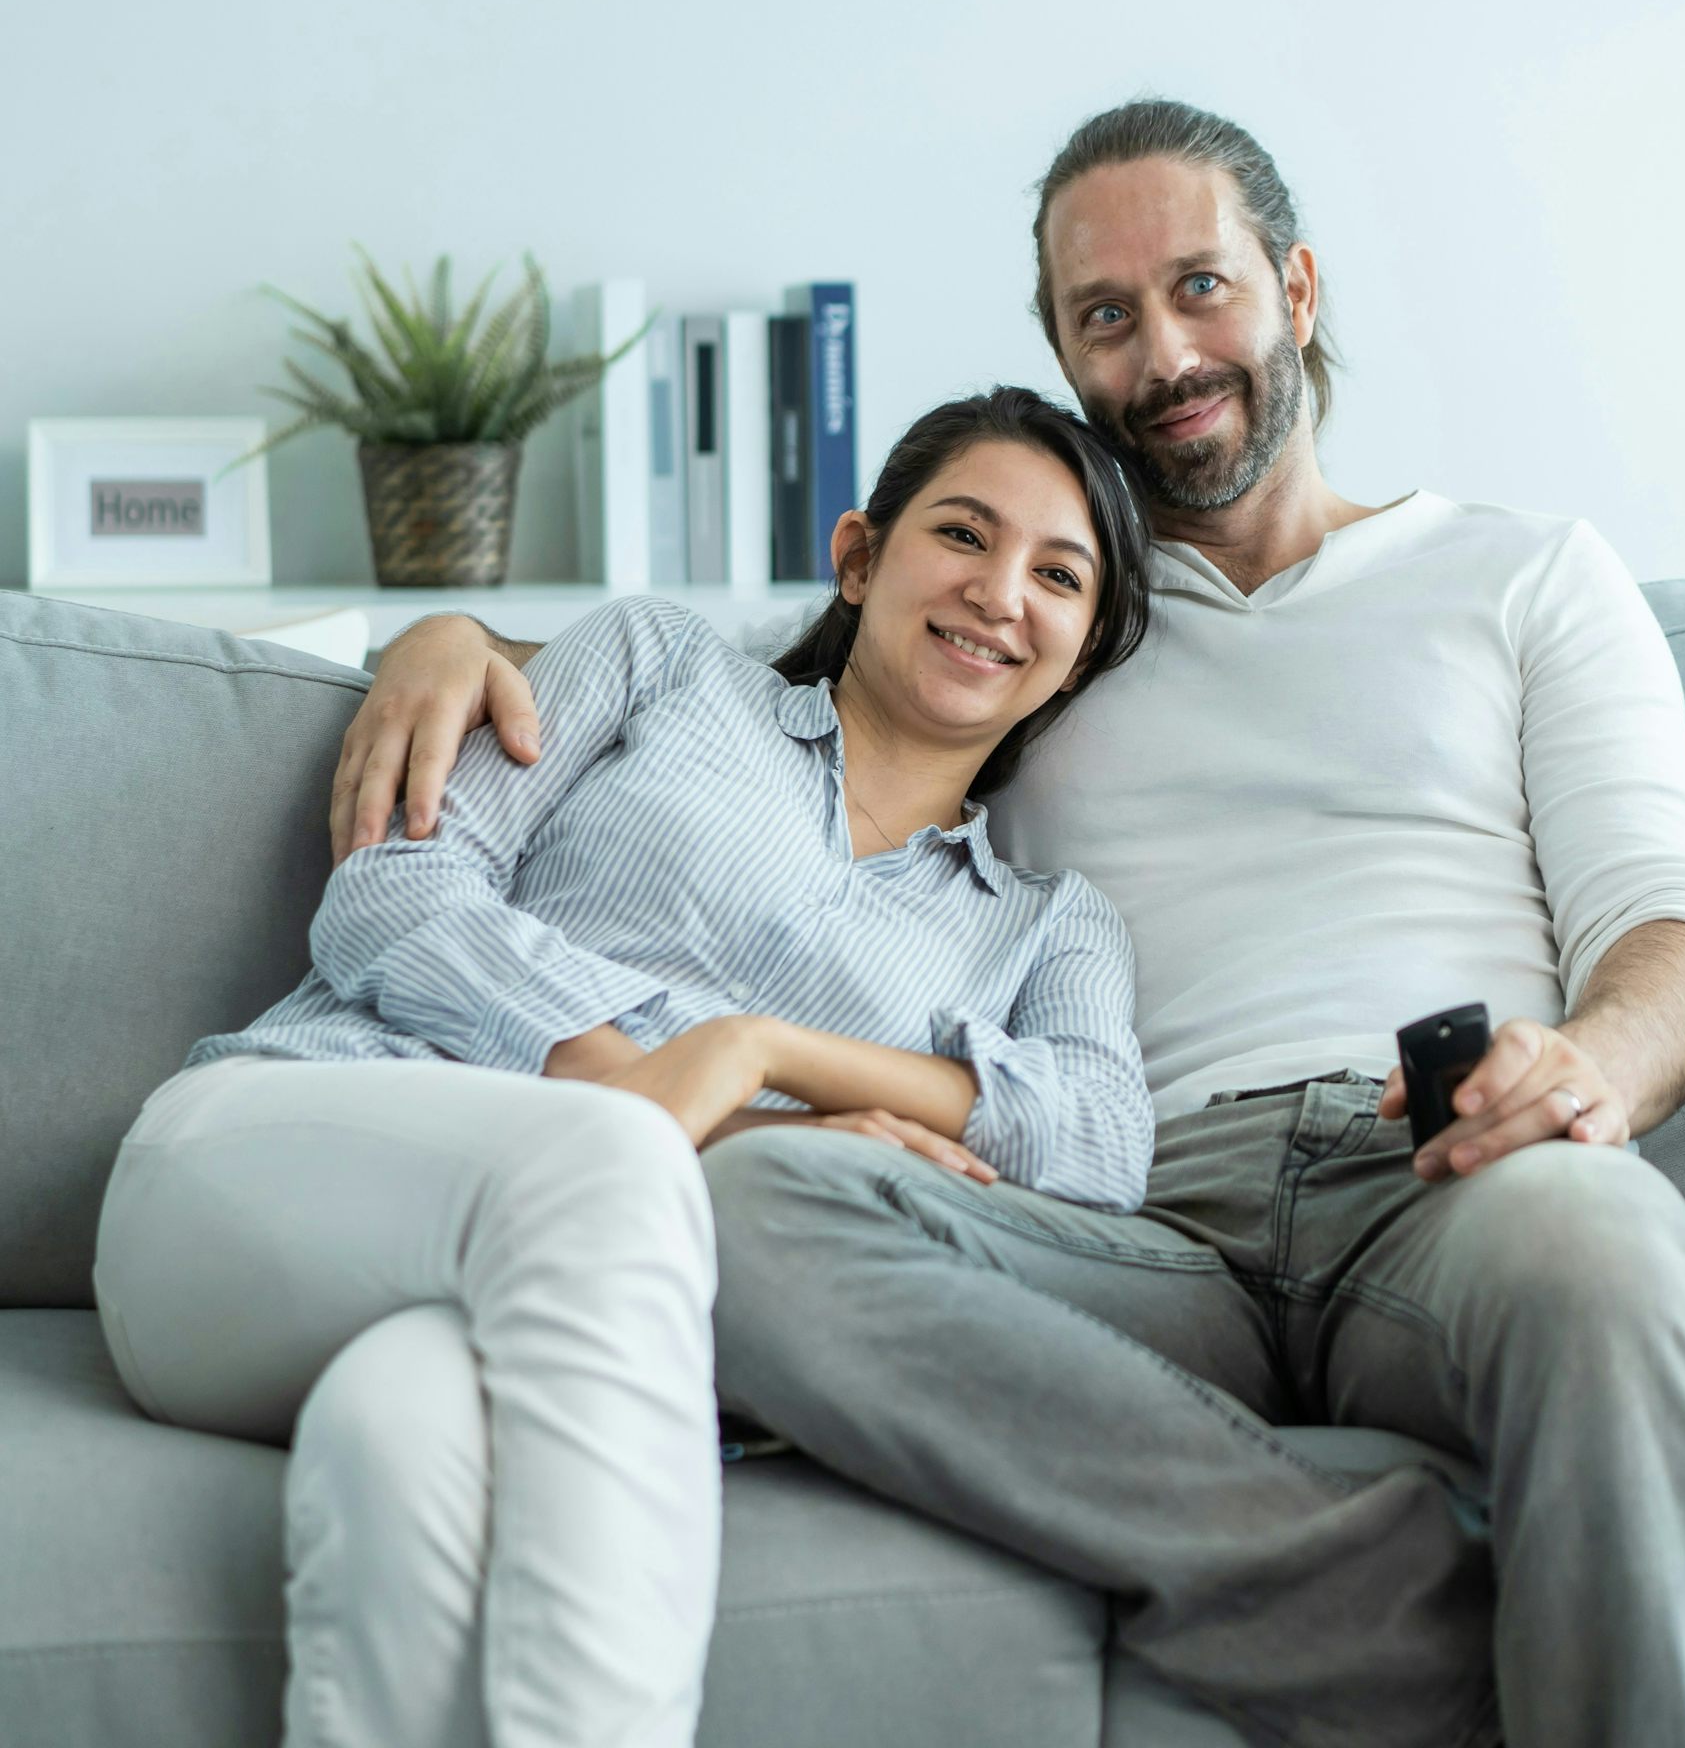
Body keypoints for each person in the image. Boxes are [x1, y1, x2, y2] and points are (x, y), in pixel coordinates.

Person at [334, 102, 1685, 1748]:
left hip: (1441, 1170)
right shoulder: (1045, 614)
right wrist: (437, 629)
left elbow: (1670, 924)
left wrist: (1588, 1070)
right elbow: (767, 677)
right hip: (1131, 1218)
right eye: (1105, 316)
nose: (1163, 351)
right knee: (727, 1198)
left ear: (1296, 291)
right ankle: (1388, 1618)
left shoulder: (1525, 577)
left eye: (1201, 288)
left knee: (1608, 1244)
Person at [91, 385, 1157, 1748]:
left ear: (1077, 655)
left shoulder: (1049, 926)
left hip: (491, 1309)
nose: (1001, 592)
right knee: (612, 1160)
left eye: (1058, 577)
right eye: (963, 534)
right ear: (859, 558)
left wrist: (755, 1060)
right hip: (261, 1172)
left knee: (404, 1437)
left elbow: (1102, 1147)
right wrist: (643, 1093)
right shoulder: (657, 664)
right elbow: (394, 889)